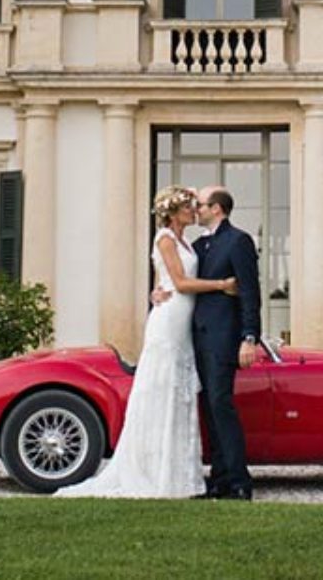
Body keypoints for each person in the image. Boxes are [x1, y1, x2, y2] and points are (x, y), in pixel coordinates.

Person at [57, 186, 236, 499]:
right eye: (188, 207)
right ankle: (153, 472)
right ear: (173, 212)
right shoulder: (165, 238)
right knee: (162, 389)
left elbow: (162, 281)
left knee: (178, 395)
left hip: (183, 320)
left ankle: (178, 474)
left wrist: (155, 292)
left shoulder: (187, 242)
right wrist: (222, 284)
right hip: (169, 322)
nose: (194, 211)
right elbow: (179, 283)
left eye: (196, 206)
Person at [188, 185, 262, 500]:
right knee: (210, 407)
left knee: (221, 404)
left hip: (223, 338)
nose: (196, 210)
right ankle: (219, 481)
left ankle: (239, 482)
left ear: (217, 208)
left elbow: (250, 293)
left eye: (201, 205)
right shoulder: (196, 245)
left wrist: (249, 337)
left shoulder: (238, 241)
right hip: (197, 338)